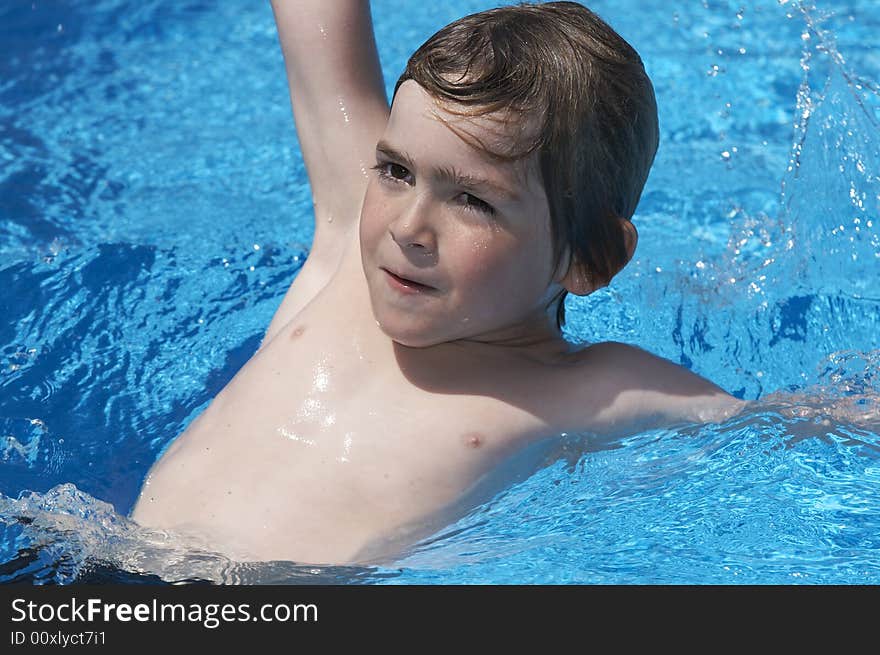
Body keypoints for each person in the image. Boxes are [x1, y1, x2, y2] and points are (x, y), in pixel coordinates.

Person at [130, 1, 749, 565]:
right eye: (396, 170)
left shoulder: (586, 388)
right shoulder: (351, 246)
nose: (408, 226)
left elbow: (787, 426)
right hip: (83, 557)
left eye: (473, 201)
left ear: (591, 257)